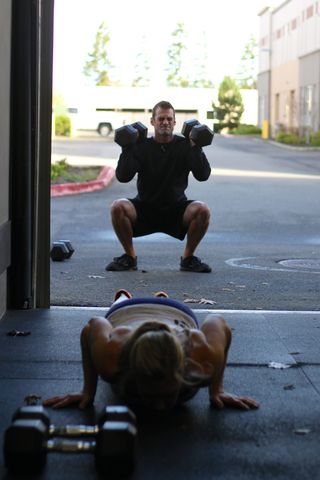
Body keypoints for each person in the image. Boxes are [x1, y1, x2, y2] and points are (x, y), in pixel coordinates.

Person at [44, 289, 259, 412]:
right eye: (150, 394)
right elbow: (91, 327)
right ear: (131, 370)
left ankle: (160, 298)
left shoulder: (202, 356)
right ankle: (123, 296)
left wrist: (217, 390)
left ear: (184, 367)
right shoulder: (111, 357)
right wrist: (87, 393)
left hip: (176, 311)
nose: (159, 408)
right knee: (120, 301)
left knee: (161, 303)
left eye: (167, 395)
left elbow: (219, 323)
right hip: (126, 313)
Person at [105, 100, 212, 273]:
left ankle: (188, 258)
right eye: (161, 118)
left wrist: (196, 147)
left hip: (176, 209)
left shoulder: (185, 146)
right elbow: (123, 177)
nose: (165, 122)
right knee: (118, 207)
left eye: (169, 119)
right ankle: (129, 257)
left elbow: (203, 176)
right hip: (144, 208)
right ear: (152, 121)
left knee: (202, 210)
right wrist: (128, 148)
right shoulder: (141, 147)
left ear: (175, 122)